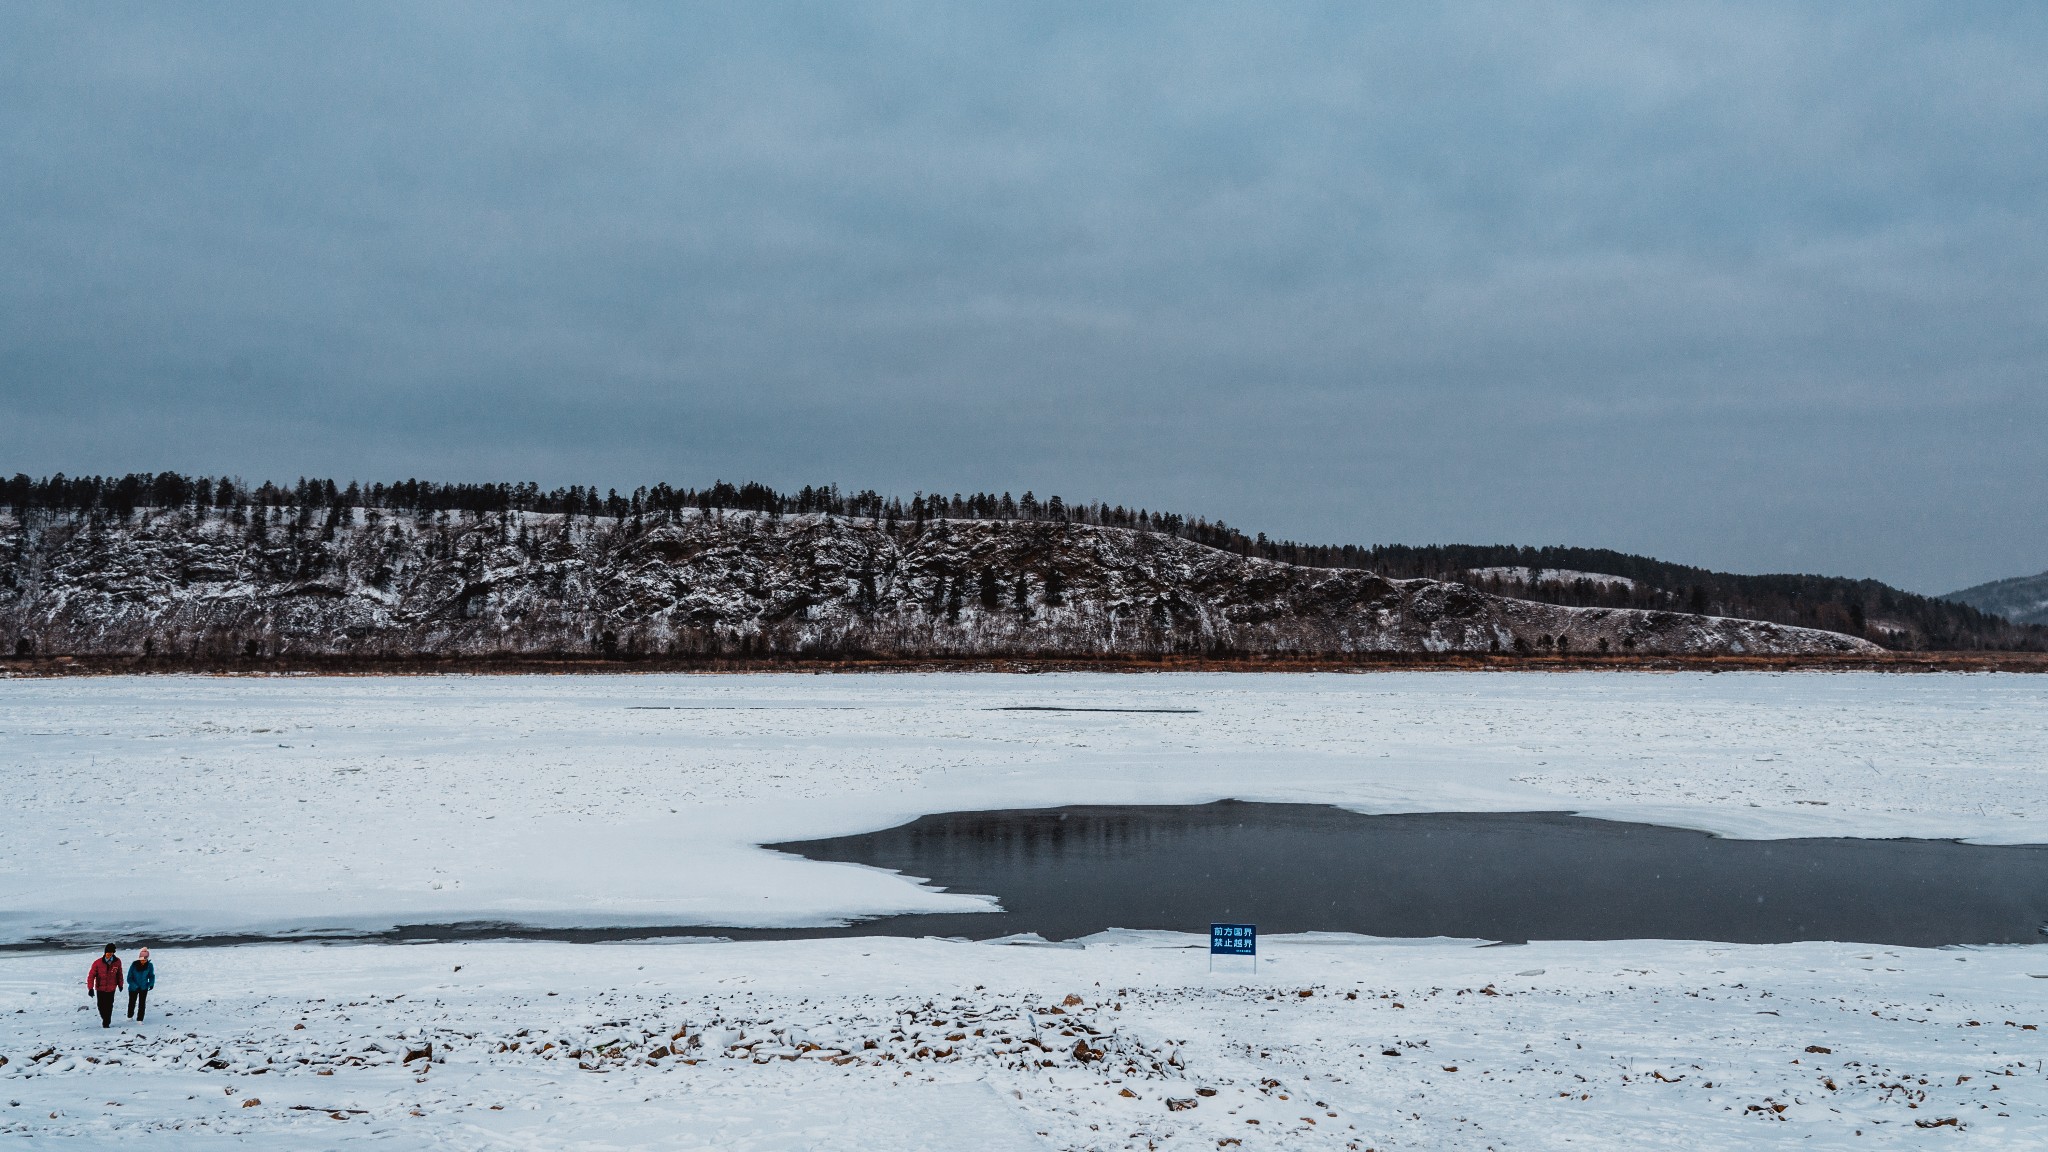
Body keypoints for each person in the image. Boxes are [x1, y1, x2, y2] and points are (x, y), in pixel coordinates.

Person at [86, 945, 124, 1028]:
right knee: (101, 1005)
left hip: (111, 988)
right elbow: (91, 976)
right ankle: (105, 1018)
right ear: (105, 953)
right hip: (100, 988)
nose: (109, 955)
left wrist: (120, 984)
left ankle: (106, 1022)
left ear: (113, 953)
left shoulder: (117, 962)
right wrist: (90, 988)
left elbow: (119, 974)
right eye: (107, 953)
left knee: (109, 1005)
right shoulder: (97, 962)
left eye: (110, 953)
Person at [126, 947, 155, 1022]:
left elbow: (151, 976)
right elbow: (129, 978)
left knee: (142, 1004)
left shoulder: (149, 965)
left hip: (143, 987)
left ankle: (140, 1019)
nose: (143, 960)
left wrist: (150, 984)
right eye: (142, 958)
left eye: (145, 959)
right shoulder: (134, 965)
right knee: (132, 1002)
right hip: (133, 988)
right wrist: (135, 986)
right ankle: (129, 1016)